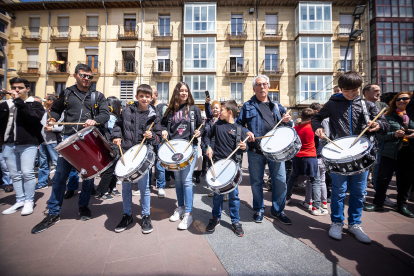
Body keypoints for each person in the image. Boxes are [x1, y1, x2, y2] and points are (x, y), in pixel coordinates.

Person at [31, 63, 110, 234]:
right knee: (59, 177)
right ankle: (53, 213)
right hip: (69, 139)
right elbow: (57, 111)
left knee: (88, 177)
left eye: (90, 76)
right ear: (75, 75)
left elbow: (105, 114)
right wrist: (53, 119)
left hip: (88, 140)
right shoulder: (67, 93)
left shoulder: (97, 95)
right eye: (83, 75)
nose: (87, 79)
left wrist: (95, 121)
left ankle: (83, 206)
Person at [312, 71, 389, 244]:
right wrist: (317, 128)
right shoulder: (333, 103)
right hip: (340, 153)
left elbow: (385, 124)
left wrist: (378, 125)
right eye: (347, 90)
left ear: (360, 88)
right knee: (338, 191)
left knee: (359, 192)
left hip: (361, 154)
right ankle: (337, 222)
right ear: (341, 88)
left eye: (354, 90)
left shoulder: (367, 105)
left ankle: (355, 223)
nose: (350, 93)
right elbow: (316, 117)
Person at [237, 75, 292, 225]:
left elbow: (288, 125)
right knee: (256, 182)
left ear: (268, 87)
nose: (262, 87)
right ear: (254, 88)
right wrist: (246, 132)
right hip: (256, 151)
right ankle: (258, 209)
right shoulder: (247, 105)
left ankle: (278, 210)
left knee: (280, 181)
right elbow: (238, 124)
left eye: (264, 84)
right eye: (259, 85)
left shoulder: (277, 106)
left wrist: (288, 121)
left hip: (275, 151)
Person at [112, 84, 162, 233]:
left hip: (143, 155)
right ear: (137, 97)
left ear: (152, 97)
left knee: (144, 188)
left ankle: (146, 215)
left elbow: (159, 138)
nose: (145, 99)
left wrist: (152, 136)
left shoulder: (155, 115)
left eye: (147, 96)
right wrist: (116, 136)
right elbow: (118, 125)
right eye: (142, 96)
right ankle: (127, 214)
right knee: (126, 187)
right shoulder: (127, 111)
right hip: (127, 152)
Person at [364, 92, 414, 218]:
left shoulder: (413, 116)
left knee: (405, 181)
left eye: (404, 99)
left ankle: (402, 205)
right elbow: (379, 135)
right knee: (383, 179)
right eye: (398, 99)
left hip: (408, 153)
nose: (401, 101)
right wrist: (393, 135)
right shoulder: (388, 116)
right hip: (389, 152)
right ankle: (378, 203)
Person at [161, 82, 203, 230]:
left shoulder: (194, 109)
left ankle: (189, 214)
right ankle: (181, 207)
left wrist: (199, 132)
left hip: (189, 148)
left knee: (186, 180)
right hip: (174, 150)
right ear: (177, 93)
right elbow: (162, 125)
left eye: (186, 90)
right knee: (178, 180)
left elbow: (202, 126)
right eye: (181, 91)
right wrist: (163, 131)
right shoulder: (170, 110)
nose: (184, 93)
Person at [0, 77, 44, 216]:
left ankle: (29, 200)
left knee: (27, 173)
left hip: (28, 143)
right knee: (14, 175)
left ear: (27, 89)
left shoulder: (34, 104)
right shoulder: (5, 104)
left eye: (20, 88)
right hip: (8, 143)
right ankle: (19, 199)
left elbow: (34, 118)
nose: (17, 90)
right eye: (14, 88)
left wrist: (18, 101)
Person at [204, 100, 247, 236]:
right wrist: (208, 147)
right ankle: (216, 218)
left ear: (229, 112)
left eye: (221, 110)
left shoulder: (238, 128)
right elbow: (206, 136)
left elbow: (246, 145)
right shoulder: (217, 125)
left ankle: (235, 221)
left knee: (234, 196)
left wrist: (245, 147)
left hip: (233, 167)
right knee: (217, 195)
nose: (217, 112)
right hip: (219, 164)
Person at [286, 108, 327, 216]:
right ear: (312, 119)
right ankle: (316, 207)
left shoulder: (294, 129)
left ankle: (286, 198)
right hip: (310, 158)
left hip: (297, 157)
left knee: (292, 178)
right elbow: (323, 137)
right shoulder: (313, 128)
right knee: (315, 181)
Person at [362, 84, 394, 205]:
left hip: (380, 142)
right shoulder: (360, 104)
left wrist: (380, 125)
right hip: (365, 142)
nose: (379, 93)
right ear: (366, 92)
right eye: (375, 91)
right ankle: (362, 195)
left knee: (379, 170)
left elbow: (387, 124)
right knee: (364, 170)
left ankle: (380, 195)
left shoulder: (384, 106)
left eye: (379, 91)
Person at [96, 96, 122, 200]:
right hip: (111, 145)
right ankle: (102, 191)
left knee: (113, 168)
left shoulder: (107, 116)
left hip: (107, 145)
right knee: (110, 169)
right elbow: (112, 131)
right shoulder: (111, 117)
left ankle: (112, 187)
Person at [36, 95, 62, 190]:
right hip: (43, 141)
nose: (44, 101)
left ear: (51, 101)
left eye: (45, 99)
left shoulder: (60, 112)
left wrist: (53, 128)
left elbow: (64, 126)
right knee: (43, 163)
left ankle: (60, 182)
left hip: (54, 141)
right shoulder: (44, 111)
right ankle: (42, 183)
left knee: (57, 162)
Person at [150, 88, 169, 198]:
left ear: (156, 96)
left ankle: (161, 187)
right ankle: (147, 186)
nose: (149, 97)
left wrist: (164, 131)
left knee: (159, 164)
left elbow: (167, 123)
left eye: (150, 95)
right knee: (148, 164)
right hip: (149, 139)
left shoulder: (163, 107)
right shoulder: (147, 107)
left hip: (160, 140)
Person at [309, 102, 329, 208]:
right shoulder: (323, 122)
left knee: (314, 181)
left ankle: (312, 203)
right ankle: (324, 202)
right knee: (322, 180)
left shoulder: (314, 125)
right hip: (322, 155)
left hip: (316, 155)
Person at [202, 99, 221, 197]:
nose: (215, 110)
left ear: (220, 109)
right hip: (210, 146)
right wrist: (205, 147)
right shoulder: (209, 120)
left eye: (217, 108)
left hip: (220, 147)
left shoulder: (222, 120)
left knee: (220, 168)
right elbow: (205, 134)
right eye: (213, 108)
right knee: (211, 168)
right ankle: (214, 189)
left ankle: (223, 190)